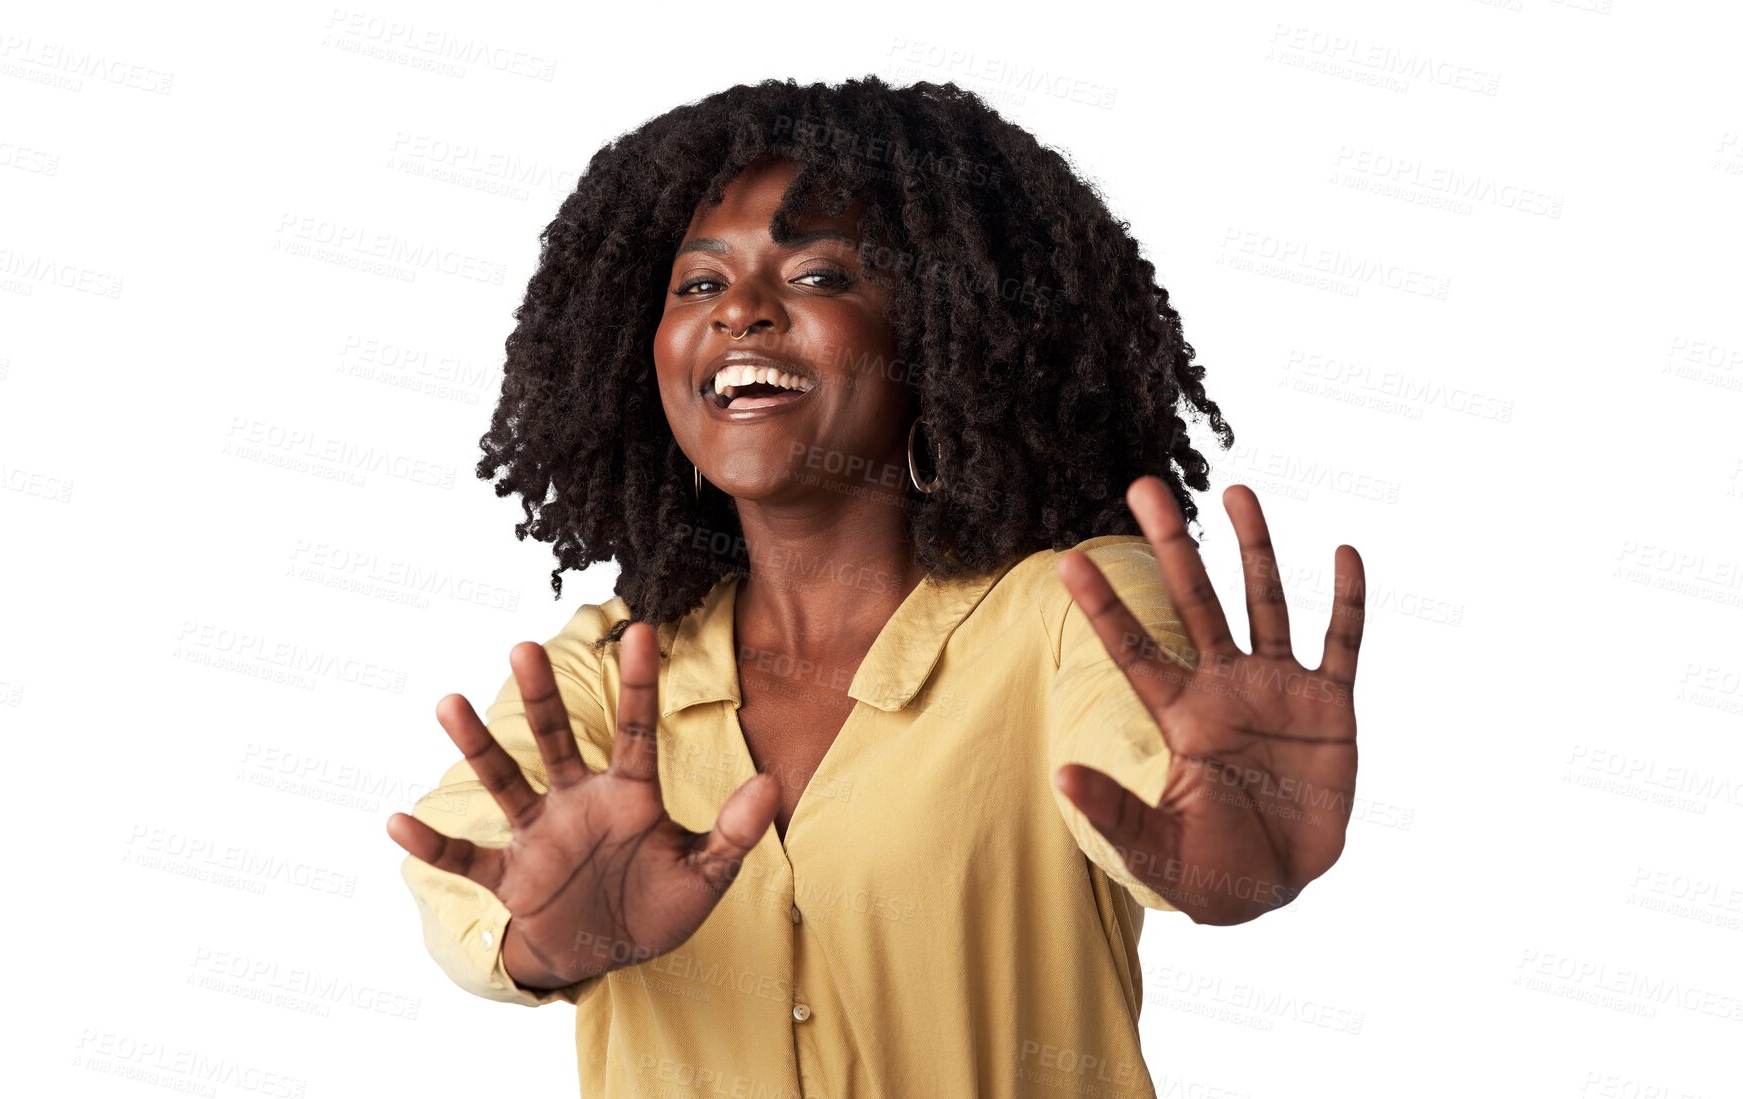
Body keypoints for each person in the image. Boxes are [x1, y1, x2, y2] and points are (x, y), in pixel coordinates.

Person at [385, 75, 1366, 1098]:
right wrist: (542, 940)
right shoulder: (605, 666)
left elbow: (1164, 790)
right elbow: (466, 877)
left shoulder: (1073, 608)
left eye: (818, 276)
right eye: (699, 286)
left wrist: (1233, 846)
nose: (743, 314)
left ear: (939, 335)